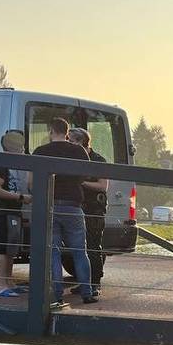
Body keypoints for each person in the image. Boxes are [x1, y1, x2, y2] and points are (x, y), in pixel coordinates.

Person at [33, 118, 96, 305]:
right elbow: (85, 175)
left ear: (50, 131)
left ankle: (57, 295)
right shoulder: (79, 150)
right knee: (79, 251)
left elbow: (31, 182)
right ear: (67, 132)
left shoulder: (41, 151)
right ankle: (87, 292)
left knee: (53, 252)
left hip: (50, 205)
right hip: (73, 205)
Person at [0, 130, 32, 297]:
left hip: (14, 210)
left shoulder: (13, 163)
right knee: (2, 248)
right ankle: (1, 285)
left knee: (11, 248)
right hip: (3, 210)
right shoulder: (1, 163)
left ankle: (8, 281)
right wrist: (21, 197)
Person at [67, 127, 107, 294]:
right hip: (77, 207)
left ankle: (95, 283)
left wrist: (81, 184)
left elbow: (103, 186)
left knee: (93, 246)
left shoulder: (99, 160)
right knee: (79, 247)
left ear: (80, 142)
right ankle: (84, 282)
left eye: (70, 141)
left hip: (94, 210)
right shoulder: (73, 158)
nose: (68, 144)